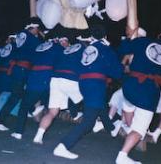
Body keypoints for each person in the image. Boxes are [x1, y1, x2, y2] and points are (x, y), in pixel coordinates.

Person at [53, 24, 123, 159]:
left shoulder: (86, 48)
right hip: (95, 85)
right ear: (105, 37)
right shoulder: (105, 49)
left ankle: (111, 128)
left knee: (99, 105)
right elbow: (117, 72)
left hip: (84, 84)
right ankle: (63, 146)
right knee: (89, 122)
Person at [115, 28, 161, 164]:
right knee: (139, 129)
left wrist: (129, 38)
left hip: (131, 87)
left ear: (157, 36)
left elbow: (122, 50)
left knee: (129, 105)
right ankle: (122, 156)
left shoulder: (143, 41)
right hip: (148, 93)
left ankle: (126, 126)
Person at [0, 17, 43, 131]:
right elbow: (40, 48)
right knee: (16, 95)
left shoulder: (20, 35)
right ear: (33, 27)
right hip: (22, 69)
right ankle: (1, 120)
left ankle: (27, 110)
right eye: (37, 29)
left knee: (17, 94)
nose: (37, 31)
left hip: (17, 68)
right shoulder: (31, 38)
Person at [33, 35, 84, 144]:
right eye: (60, 41)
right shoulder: (79, 49)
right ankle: (77, 114)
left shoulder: (61, 51)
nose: (62, 43)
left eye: (64, 40)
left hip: (56, 80)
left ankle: (38, 136)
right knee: (89, 96)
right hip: (68, 79)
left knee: (53, 112)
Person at [10, 36, 62, 140]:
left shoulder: (38, 47)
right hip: (48, 80)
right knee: (51, 108)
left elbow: (31, 60)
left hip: (34, 78)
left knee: (24, 106)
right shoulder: (57, 47)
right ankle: (40, 130)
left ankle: (18, 132)